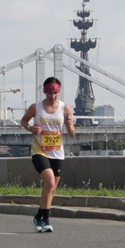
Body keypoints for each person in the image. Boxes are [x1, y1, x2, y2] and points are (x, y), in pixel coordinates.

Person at [23, 75, 72, 231]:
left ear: (59, 92)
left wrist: (70, 124)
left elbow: (71, 134)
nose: (53, 96)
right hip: (40, 152)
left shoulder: (65, 108)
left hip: (57, 152)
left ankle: (39, 216)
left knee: (52, 188)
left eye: (55, 93)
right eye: (50, 93)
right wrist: (30, 128)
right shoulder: (35, 107)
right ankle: (46, 220)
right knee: (49, 182)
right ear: (45, 92)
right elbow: (24, 121)